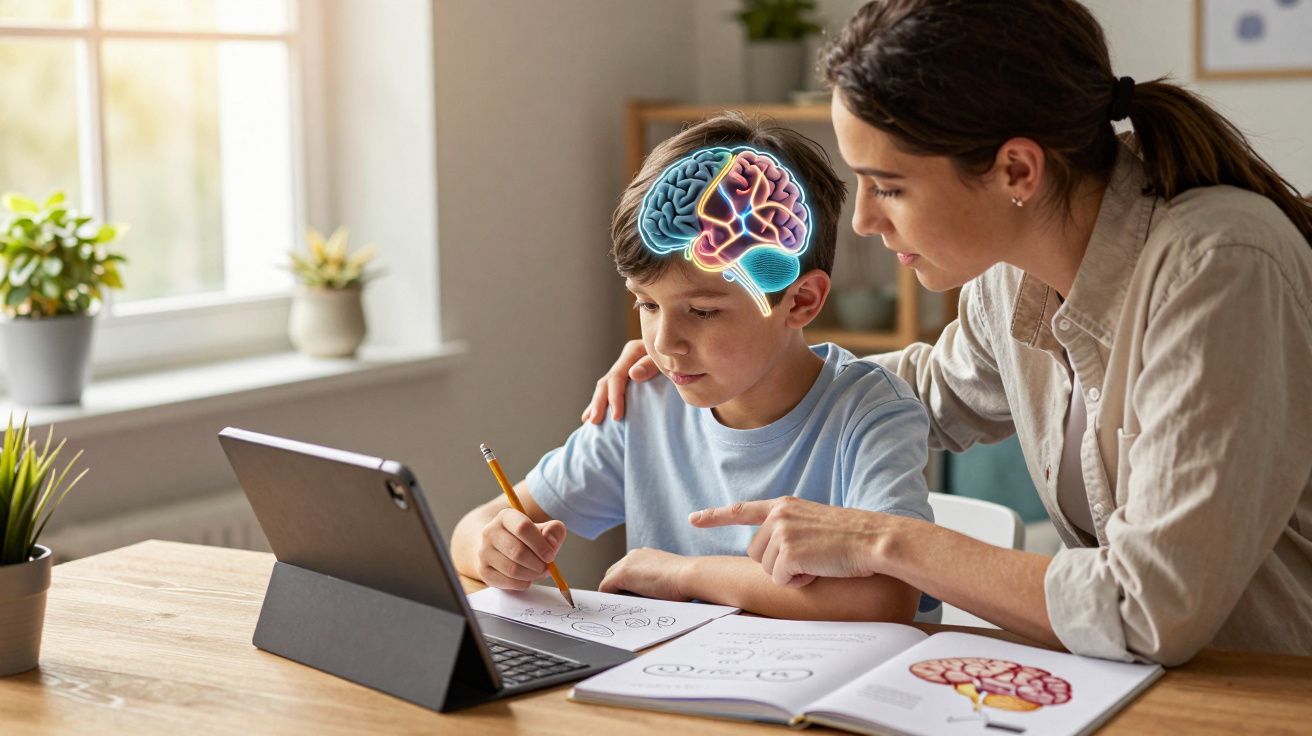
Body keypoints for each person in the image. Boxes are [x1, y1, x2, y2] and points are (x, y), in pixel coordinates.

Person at [582, 0, 1312, 665]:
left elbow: (1150, 606)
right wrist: (717, 363)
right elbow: (922, 389)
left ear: (1015, 169)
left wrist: (884, 541)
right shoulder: (1010, 275)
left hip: (1264, 690)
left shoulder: (1219, 268)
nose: (865, 219)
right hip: (1128, 688)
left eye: (890, 187)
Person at [452, 112, 936, 622]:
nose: (665, 343)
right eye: (647, 305)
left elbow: (887, 597)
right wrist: (494, 546)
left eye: (702, 311)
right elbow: (477, 525)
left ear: (801, 301)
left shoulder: (871, 414)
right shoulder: (645, 406)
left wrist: (681, 574)